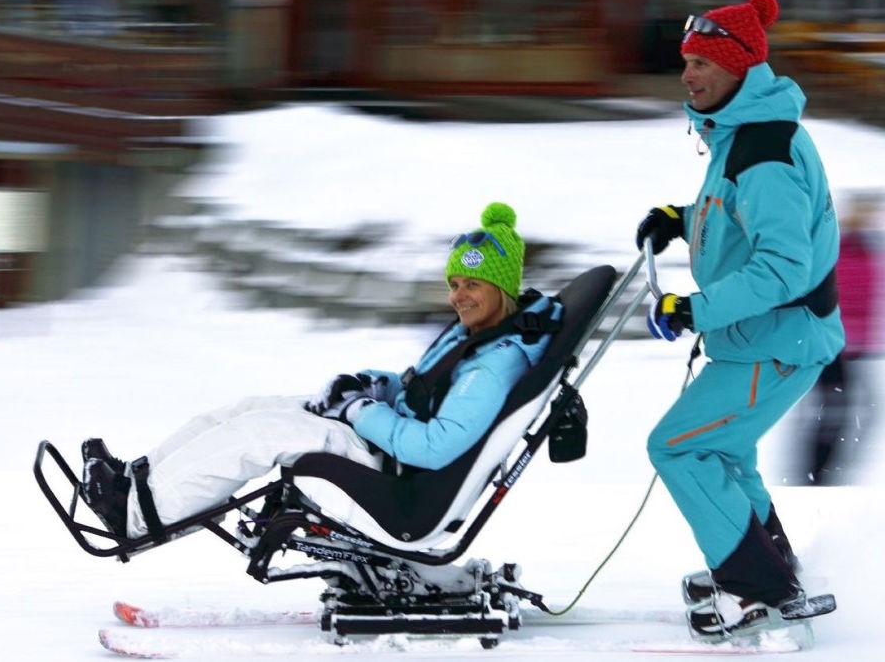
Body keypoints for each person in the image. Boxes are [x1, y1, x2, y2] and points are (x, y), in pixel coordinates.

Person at [80, 202, 561, 540]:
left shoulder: (496, 366)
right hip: (384, 440)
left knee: (259, 434)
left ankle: (138, 516)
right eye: (455, 283)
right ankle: (136, 479)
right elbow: (422, 388)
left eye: (472, 283)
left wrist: (359, 409)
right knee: (250, 409)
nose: (458, 295)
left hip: (394, 469)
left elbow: (434, 447)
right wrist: (372, 384)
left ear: (503, 287)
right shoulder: (480, 336)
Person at [634, 0, 844, 640]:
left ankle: (758, 588)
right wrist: (682, 219)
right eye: (686, 61)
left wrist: (691, 307)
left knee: (675, 445)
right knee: (725, 454)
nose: (688, 75)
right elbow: (735, 221)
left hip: (779, 340)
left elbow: (783, 266)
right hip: (758, 339)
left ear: (739, 67)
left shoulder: (764, 150)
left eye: (702, 62)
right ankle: (771, 569)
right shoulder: (739, 134)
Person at [801, 190, 885, 485]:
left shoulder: (870, 248)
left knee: (849, 409)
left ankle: (824, 472)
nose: (873, 220)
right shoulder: (837, 247)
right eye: (867, 213)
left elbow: (874, 298)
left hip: (853, 345)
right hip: (831, 343)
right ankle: (817, 474)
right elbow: (827, 293)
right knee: (836, 409)